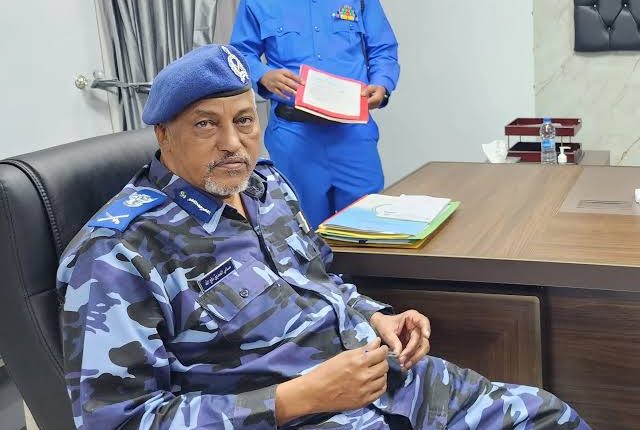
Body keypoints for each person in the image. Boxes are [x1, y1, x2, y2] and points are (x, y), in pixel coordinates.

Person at [57, 44, 590, 430]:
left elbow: (322, 280)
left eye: (244, 120)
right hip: (303, 418)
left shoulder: (265, 188)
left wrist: (376, 317)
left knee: (547, 416)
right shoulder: (118, 253)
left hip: (391, 387)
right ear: (163, 134)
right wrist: (295, 399)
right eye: (205, 125)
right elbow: (119, 421)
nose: (232, 143)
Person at [230, 0, 400, 228]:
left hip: (352, 134)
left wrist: (382, 84)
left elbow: (383, 49)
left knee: (367, 225)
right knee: (304, 228)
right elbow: (240, 54)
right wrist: (262, 74)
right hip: (294, 136)